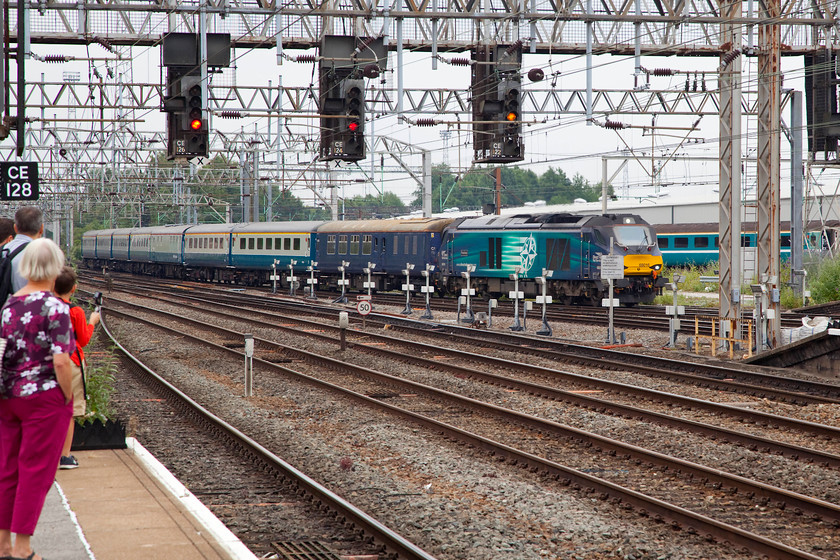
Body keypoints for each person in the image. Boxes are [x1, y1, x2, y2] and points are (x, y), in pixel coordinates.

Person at [0, 238, 75, 560]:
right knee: (35, 471)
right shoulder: (55, 307)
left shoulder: (9, 304)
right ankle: (22, 547)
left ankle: (3, 544)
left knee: (8, 470)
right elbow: (61, 360)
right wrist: (67, 394)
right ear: (55, 267)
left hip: (9, 396)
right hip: (44, 398)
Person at [54, 266, 100, 470]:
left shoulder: (45, 308)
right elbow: (84, 339)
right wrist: (92, 322)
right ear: (74, 289)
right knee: (68, 410)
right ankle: (65, 456)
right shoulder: (76, 311)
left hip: (43, 360)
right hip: (70, 361)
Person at [4, 207, 44, 294]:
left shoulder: (4, 250)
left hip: (7, 305)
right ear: (41, 229)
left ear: (15, 228)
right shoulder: (43, 254)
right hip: (33, 305)